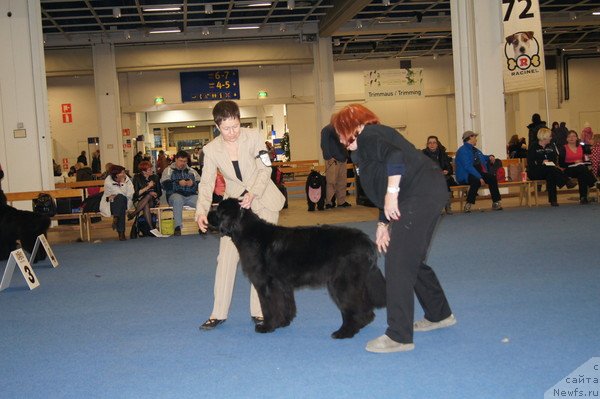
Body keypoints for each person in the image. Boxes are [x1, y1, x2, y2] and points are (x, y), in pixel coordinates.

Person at [332, 104, 455, 353]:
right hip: (423, 191)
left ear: (351, 126)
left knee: (398, 260)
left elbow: (395, 160)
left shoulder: (369, 135)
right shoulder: (361, 151)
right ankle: (439, 313)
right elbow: (381, 187)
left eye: (340, 132)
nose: (340, 139)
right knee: (411, 258)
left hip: (419, 192)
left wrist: (392, 194)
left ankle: (399, 335)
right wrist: (382, 223)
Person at [196, 100, 286, 330]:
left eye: (235, 125)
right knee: (226, 257)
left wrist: (253, 193)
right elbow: (206, 183)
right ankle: (218, 313)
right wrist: (200, 212)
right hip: (233, 209)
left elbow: (265, 168)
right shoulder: (210, 150)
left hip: (264, 201)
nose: (232, 132)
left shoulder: (255, 136)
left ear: (239, 119)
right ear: (217, 126)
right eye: (226, 128)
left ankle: (259, 311)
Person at [455, 131, 503, 212]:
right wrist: (480, 177)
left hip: (476, 173)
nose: (476, 139)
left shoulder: (475, 150)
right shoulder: (462, 151)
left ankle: (496, 202)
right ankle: (468, 203)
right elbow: (468, 167)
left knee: (492, 178)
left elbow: (483, 157)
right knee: (476, 180)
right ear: (470, 137)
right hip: (465, 175)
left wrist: (490, 157)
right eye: (475, 137)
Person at [526, 127, 572, 206]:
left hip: (548, 170)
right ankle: (566, 181)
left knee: (551, 174)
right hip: (535, 171)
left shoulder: (550, 146)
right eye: (550, 136)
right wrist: (541, 162)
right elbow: (530, 162)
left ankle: (553, 200)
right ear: (545, 137)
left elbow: (554, 160)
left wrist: (550, 162)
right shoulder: (533, 146)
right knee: (551, 171)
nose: (551, 138)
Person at [160, 150, 200, 236]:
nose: (183, 163)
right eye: (181, 161)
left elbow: (201, 184)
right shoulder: (168, 170)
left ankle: (203, 225)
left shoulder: (192, 171)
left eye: (185, 161)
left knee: (201, 202)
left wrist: (193, 184)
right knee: (178, 199)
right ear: (176, 159)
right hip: (174, 195)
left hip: (191, 195)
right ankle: (177, 227)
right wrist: (178, 183)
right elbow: (165, 185)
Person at [558, 130, 597, 204]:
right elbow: (561, 164)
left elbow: (587, 159)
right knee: (582, 169)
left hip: (580, 169)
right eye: (569, 136)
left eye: (573, 136)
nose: (571, 138)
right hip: (568, 170)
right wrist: (574, 162)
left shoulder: (581, 147)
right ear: (566, 139)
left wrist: (588, 159)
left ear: (577, 138)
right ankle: (593, 182)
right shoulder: (563, 148)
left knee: (582, 173)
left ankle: (583, 198)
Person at [422, 135, 456, 214]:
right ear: (427, 144)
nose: (432, 144)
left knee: (445, 181)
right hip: (430, 177)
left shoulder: (442, 154)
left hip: (444, 177)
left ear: (437, 144)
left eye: (434, 143)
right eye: (430, 143)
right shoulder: (423, 154)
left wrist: (447, 171)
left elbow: (449, 167)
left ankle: (447, 206)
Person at [321, 124, 351, 209]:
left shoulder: (342, 129)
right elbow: (324, 144)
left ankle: (341, 201)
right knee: (331, 182)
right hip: (333, 160)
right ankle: (329, 202)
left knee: (342, 182)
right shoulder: (327, 129)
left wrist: (346, 155)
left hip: (343, 159)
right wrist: (329, 157)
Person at [100, 165, 134, 241]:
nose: (124, 173)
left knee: (121, 199)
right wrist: (122, 185)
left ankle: (116, 218)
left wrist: (122, 183)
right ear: (117, 174)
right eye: (122, 172)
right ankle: (121, 233)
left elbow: (130, 194)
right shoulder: (108, 180)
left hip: (125, 202)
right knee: (120, 202)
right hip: (110, 203)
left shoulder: (127, 179)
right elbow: (115, 193)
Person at [129, 160, 162, 230]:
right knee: (145, 203)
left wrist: (156, 194)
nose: (152, 171)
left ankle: (134, 213)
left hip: (152, 201)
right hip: (139, 200)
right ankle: (151, 228)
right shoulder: (137, 178)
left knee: (149, 196)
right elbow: (136, 194)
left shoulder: (155, 177)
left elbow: (159, 192)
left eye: (151, 168)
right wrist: (148, 187)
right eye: (149, 169)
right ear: (144, 171)